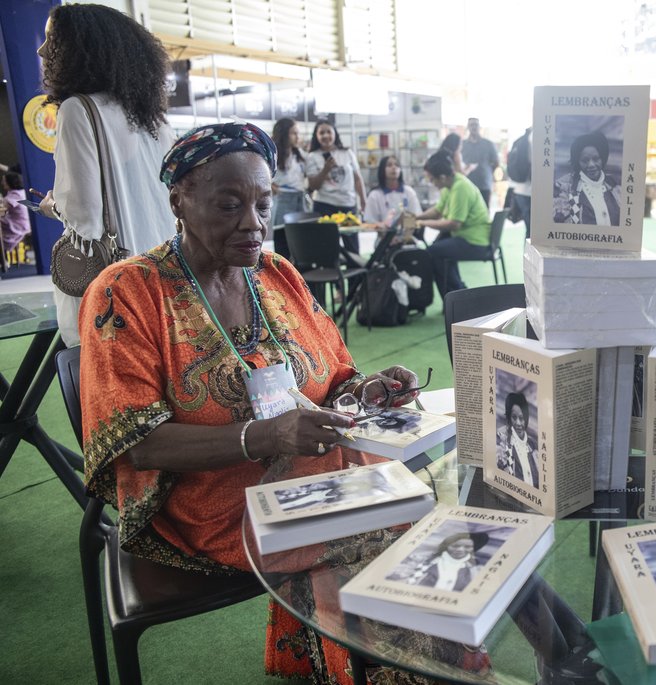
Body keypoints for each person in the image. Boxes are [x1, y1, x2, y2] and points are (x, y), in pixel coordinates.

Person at [79, 122, 424, 682]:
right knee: (379, 537)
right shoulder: (128, 292)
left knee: (415, 509)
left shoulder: (276, 274)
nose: (253, 223)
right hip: (210, 501)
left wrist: (363, 390)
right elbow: (139, 445)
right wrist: (266, 436)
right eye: (229, 205)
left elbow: (332, 373)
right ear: (179, 201)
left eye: (263, 203)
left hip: (313, 475)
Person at [34, 3, 177, 346]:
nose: (42, 49)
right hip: (164, 270)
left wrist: (53, 206)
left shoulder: (77, 110)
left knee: (106, 378)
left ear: (78, 49)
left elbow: (84, 217)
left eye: (51, 39)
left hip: (114, 283)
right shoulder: (153, 119)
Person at [415, 151, 491, 298]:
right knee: (438, 248)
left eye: (432, 180)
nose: (432, 184)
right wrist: (416, 217)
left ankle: (455, 296)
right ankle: (457, 293)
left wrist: (422, 222)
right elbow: (437, 211)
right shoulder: (450, 185)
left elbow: (454, 224)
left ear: (442, 178)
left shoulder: (460, 188)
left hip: (474, 242)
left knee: (433, 252)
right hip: (465, 237)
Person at [305, 119, 365, 260]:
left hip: (348, 206)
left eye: (329, 132)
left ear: (335, 134)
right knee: (326, 249)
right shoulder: (313, 156)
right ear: (317, 136)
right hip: (325, 206)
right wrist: (325, 170)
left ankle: (355, 281)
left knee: (353, 249)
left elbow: (358, 178)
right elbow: (313, 186)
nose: (325, 135)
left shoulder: (347, 153)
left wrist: (363, 200)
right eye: (321, 133)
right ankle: (330, 279)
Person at [553, 131, 621, 226]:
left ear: (603, 159)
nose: (591, 165)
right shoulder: (564, 187)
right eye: (585, 160)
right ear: (578, 162)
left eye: (596, 159)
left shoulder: (616, 185)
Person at [401, 531, 490, 591]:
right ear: (447, 545)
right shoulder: (425, 560)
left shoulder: (474, 569)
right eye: (455, 546)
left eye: (467, 547)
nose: (460, 550)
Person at [363, 155, 422, 229]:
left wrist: (402, 224)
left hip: (407, 235)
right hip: (384, 236)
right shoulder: (374, 195)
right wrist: (383, 226)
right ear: (382, 170)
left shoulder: (409, 192)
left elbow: (417, 217)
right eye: (389, 165)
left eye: (397, 165)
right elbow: (369, 222)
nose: (394, 168)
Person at [269, 117, 307, 227]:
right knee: (282, 235)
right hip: (283, 198)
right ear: (284, 134)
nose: (297, 137)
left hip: (300, 197)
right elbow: (258, 173)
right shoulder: (273, 154)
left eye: (298, 133)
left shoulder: (299, 153)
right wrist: (269, 185)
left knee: (300, 236)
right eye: (293, 133)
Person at [497, 391, 538, 488]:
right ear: (509, 417)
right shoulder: (503, 442)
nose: (518, 423)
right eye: (514, 418)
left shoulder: (533, 445)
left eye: (521, 418)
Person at [461, 118, 499, 207]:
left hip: (484, 184)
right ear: (468, 127)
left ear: (479, 127)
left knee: (484, 210)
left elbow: (496, 163)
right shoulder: (462, 144)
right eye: (471, 125)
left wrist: (487, 172)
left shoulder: (489, 144)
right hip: (467, 184)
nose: (474, 127)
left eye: (476, 125)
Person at [1, 172, 31, 258]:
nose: (2, 183)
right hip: (21, 223)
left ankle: (3, 256)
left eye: (4, 181)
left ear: (10, 182)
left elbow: (3, 207)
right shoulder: (20, 192)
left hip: (17, 225)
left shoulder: (15, 194)